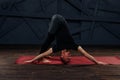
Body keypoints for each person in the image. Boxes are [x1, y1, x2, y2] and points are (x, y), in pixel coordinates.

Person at [25, 14, 107, 65]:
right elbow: (86, 54)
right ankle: (41, 59)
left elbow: (42, 53)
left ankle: (41, 59)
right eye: (69, 59)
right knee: (50, 38)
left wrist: (31, 60)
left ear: (62, 55)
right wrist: (97, 62)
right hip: (60, 20)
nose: (70, 56)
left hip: (57, 20)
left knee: (49, 39)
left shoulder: (58, 47)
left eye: (68, 58)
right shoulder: (72, 45)